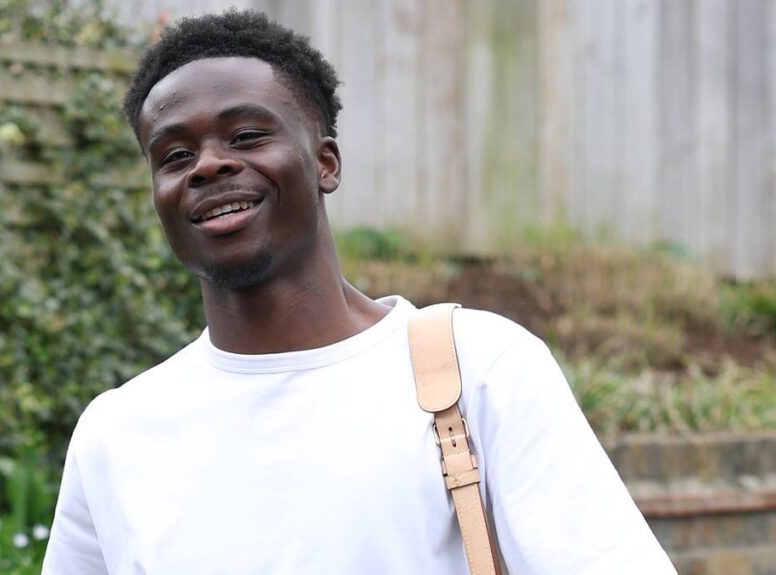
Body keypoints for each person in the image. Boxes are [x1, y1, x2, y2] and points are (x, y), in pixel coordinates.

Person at [42, 10, 675, 574]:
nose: (207, 164)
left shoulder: (476, 371)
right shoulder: (116, 436)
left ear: (326, 163)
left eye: (245, 136)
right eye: (174, 155)